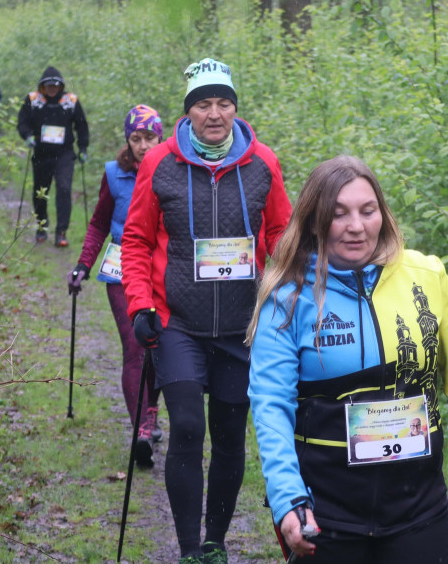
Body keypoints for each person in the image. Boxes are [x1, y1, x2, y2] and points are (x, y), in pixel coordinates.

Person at [246, 155, 448, 564]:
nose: (356, 226)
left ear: (382, 213)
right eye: (339, 214)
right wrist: (287, 497)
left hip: (418, 507)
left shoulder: (427, 276)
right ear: (315, 220)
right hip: (327, 514)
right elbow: (270, 406)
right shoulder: (287, 298)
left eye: (368, 211)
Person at [120, 58, 292, 564]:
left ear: (235, 107)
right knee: (189, 427)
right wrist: (140, 304)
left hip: (243, 327)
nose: (214, 113)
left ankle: (216, 540)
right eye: (203, 104)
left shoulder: (263, 163)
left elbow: (282, 232)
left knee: (230, 436)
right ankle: (190, 549)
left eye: (223, 103)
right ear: (188, 111)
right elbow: (135, 239)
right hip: (179, 325)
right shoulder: (160, 164)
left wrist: (286, 285)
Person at [68, 105, 165, 467]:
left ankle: (151, 409)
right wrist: (82, 265)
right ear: (127, 139)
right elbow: (98, 224)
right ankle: (141, 429)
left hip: (164, 270)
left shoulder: (173, 168)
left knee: (158, 350)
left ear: (161, 136)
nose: (142, 146)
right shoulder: (115, 174)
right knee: (135, 347)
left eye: (149, 138)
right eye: (136, 139)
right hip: (122, 269)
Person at [16, 66, 89, 246]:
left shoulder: (70, 101)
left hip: (65, 154)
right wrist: (27, 136)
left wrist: (83, 148)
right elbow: (22, 122)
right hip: (41, 153)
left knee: (64, 190)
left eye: (55, 86)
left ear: (61, 86)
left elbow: (81, 125)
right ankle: (42, 225)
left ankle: (61, 232)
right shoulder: (33, 100)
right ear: (42, 86)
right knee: (40, 193)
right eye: (49, 86)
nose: (52, 89)